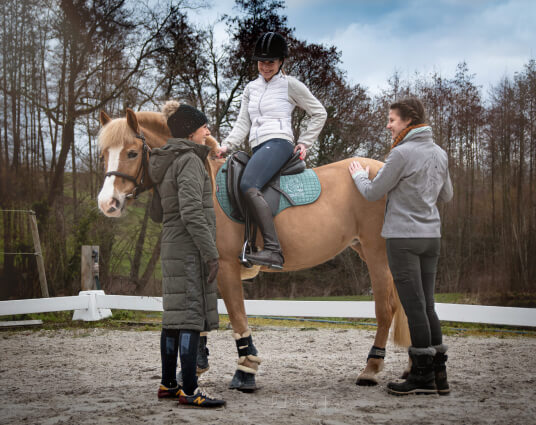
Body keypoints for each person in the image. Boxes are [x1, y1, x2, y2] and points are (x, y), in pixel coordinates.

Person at [348, 97, 453, 396]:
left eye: (392, 119)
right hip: (431, 236)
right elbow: (446, 195)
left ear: (408, 120)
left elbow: (371, 192)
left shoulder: (401, 153)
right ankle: (438, 374)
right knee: (428, 305)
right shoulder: (440, 153)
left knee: (414, 306)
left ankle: (421, 375)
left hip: (403, 238)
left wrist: (358, 174)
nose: (388, 124)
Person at [218, 31, 327, 269]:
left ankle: (273, 250)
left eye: (271, 62)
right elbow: (242, 123)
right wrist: (226, 145)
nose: (265, 67)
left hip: (279, 142)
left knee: (248, 184)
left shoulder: (290, 85)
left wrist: (305, 141)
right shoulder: (250, 88)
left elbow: (319, 112)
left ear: (281, 62)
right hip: (258, 147)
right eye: (261, 62)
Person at [148, 101, 225, 407]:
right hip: (190, 248)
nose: (208, 131)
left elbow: (156, 213)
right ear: (192, 132)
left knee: (173, 318)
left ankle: (168, 384)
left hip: (170, 245)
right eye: (204, 127)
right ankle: (190, 391)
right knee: (191, 318)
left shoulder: (165, 160)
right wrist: (211, 253)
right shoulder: (191, 161)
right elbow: (193, 212)